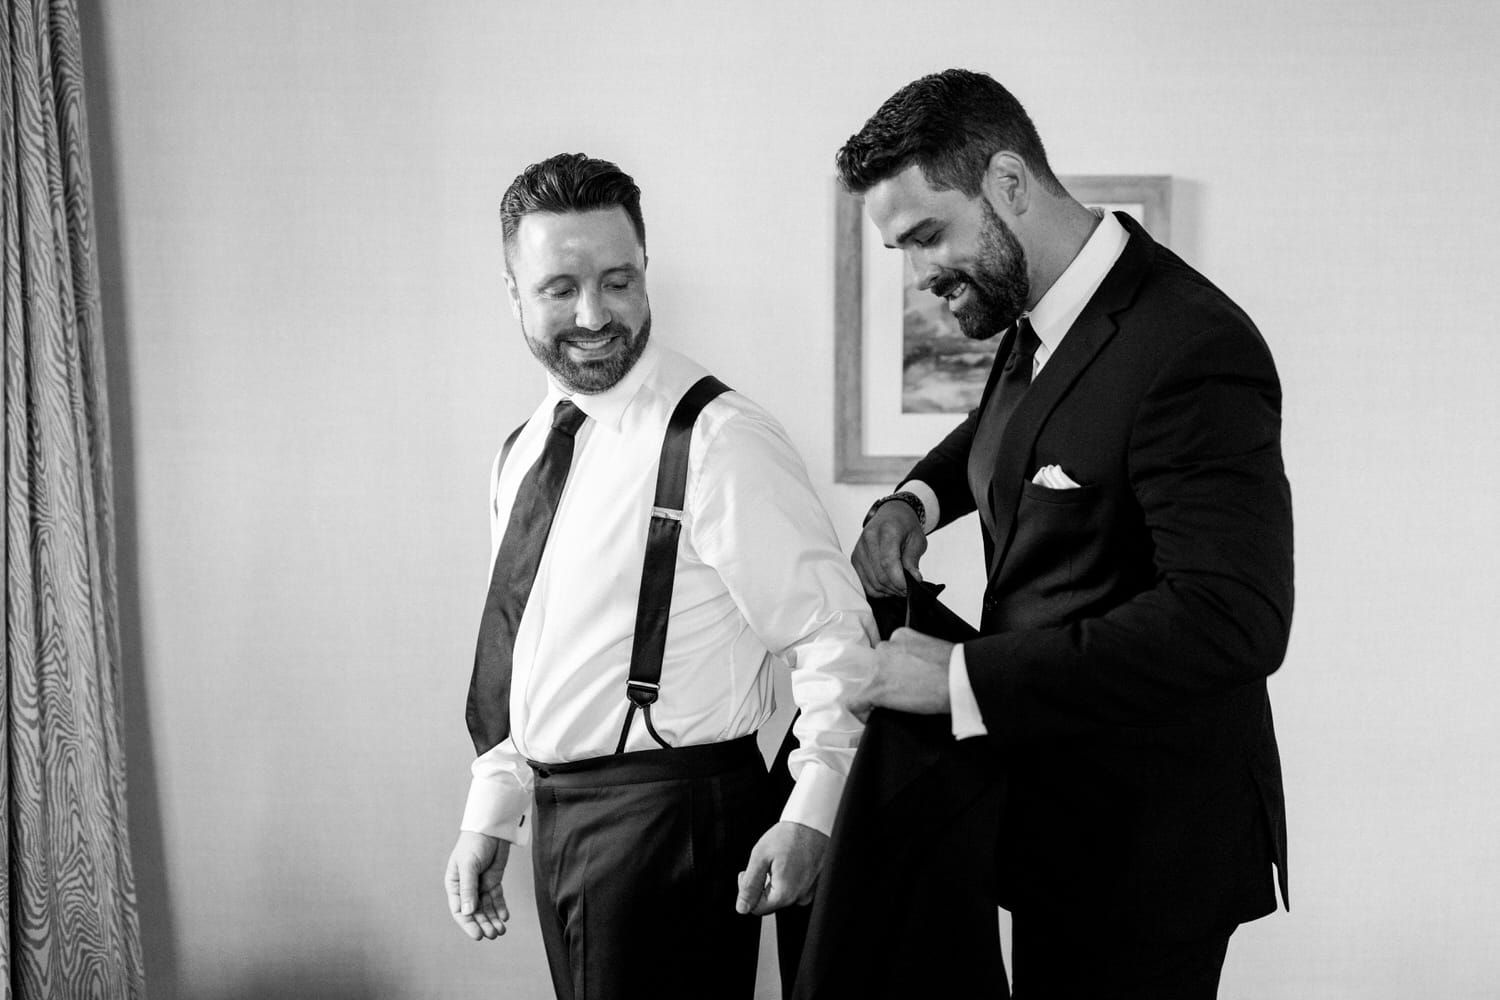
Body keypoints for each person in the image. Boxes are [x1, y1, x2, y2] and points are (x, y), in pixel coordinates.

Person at [803, 69, 1293, 999]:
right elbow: (1020, 438)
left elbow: (1233, 618)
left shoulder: (1194, 348)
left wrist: (957, 678)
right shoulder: (1042, 320)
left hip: (1153, 848)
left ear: (1009, 185)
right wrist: (915, 500)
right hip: (1056, 819)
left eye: (925, 236)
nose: (919, 276)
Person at [443, 152, 875, 1000]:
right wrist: (494, 808)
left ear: (646, 271)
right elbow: (522, 648)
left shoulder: (718, 438)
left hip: (675, 821)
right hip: (564, 820)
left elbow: (836, 637)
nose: (595, 313)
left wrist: (813, 812)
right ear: (513, 293)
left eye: (618, 280)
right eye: (560, 288)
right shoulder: (526, 448)